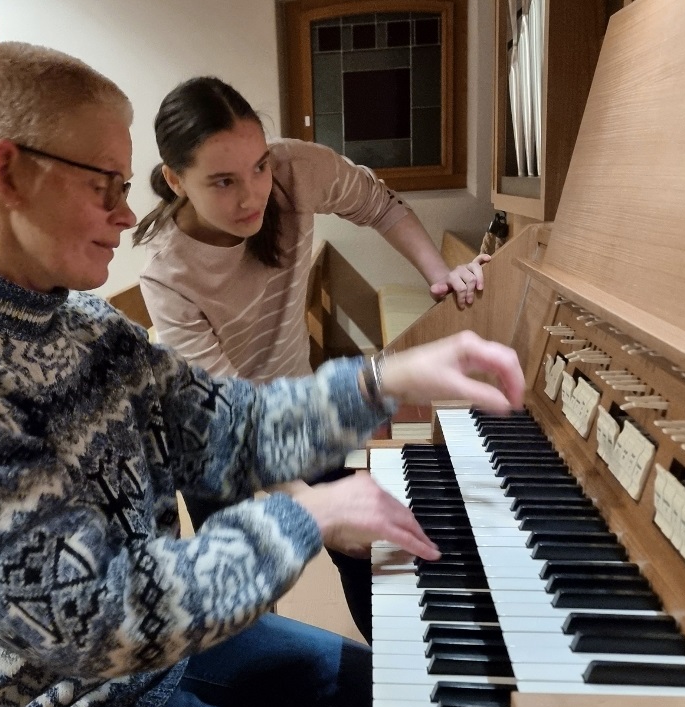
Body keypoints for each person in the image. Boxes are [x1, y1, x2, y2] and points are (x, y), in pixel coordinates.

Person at [0, 42, 524, 707]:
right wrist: (305, 517)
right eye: (105, 185)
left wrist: (385, 378)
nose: (127, 214)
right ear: (9, 173)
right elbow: (90, 618)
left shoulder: (88, 328)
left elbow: (228, 425)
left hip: (150, 665)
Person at [133, 76, 492, 642]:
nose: (252, 195)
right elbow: (230, 413)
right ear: (176, 180)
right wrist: (309, 507)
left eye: (258, 167)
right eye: (223, 181)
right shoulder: (165, 270)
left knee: (361, 550)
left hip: (300, 402)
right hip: (211, 432)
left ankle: (397, 667)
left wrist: (442, 276)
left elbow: (380, 204)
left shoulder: (296, 169)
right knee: (248, 586)